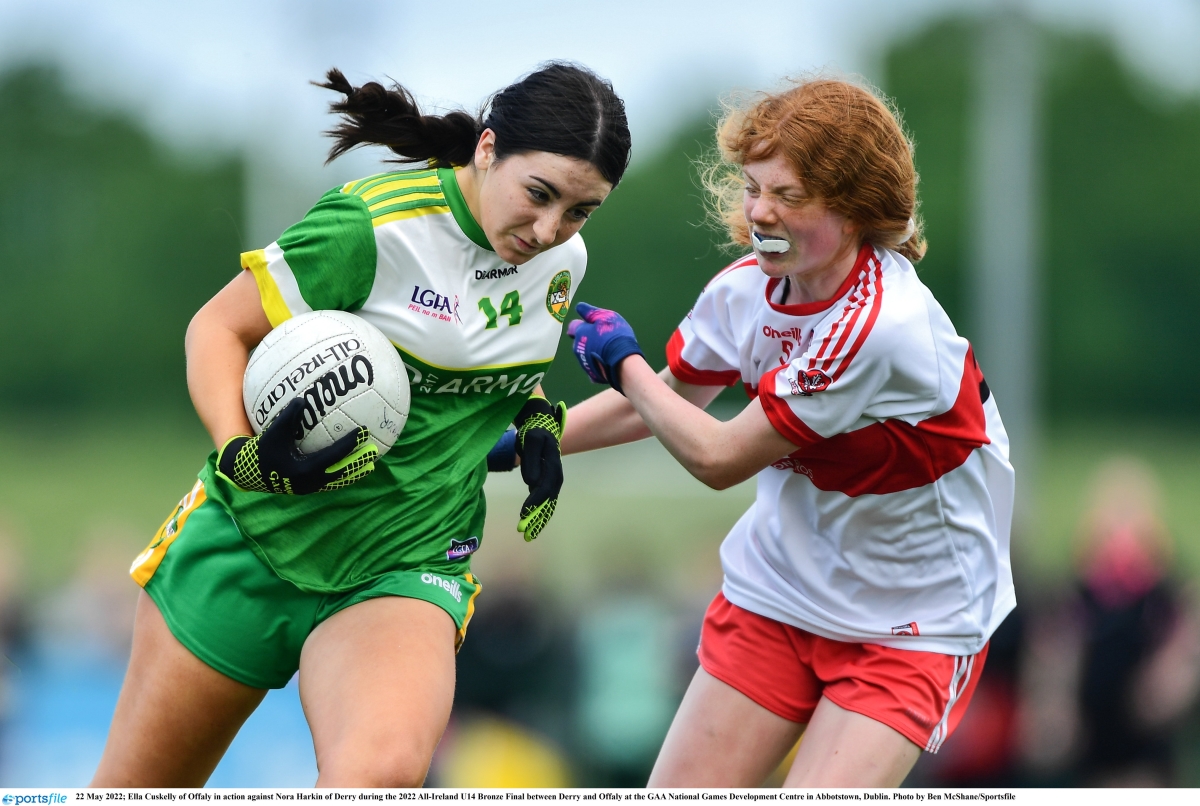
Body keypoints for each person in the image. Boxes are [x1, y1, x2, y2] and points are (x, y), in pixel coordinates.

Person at [91, 62, 630, 787]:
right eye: (539, 195)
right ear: (487, 148)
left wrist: (532, 415)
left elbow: (497, 357)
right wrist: (241, 454)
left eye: (579, 210)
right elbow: (216, 331)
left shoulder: (563, 261)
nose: (549, 229)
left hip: (404, 563)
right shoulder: (373, 226)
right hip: (254, 543)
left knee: (377, 776)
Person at [559, 77, 1014, 787]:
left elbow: (716, 456)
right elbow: (672, 402)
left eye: (790, 195)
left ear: (858, 209)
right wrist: (533, 433)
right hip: (777, 595)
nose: (761, 211)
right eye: (753, 188)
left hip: (910, 622)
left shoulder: (880, 326)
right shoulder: (743, 290)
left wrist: (624, 363)